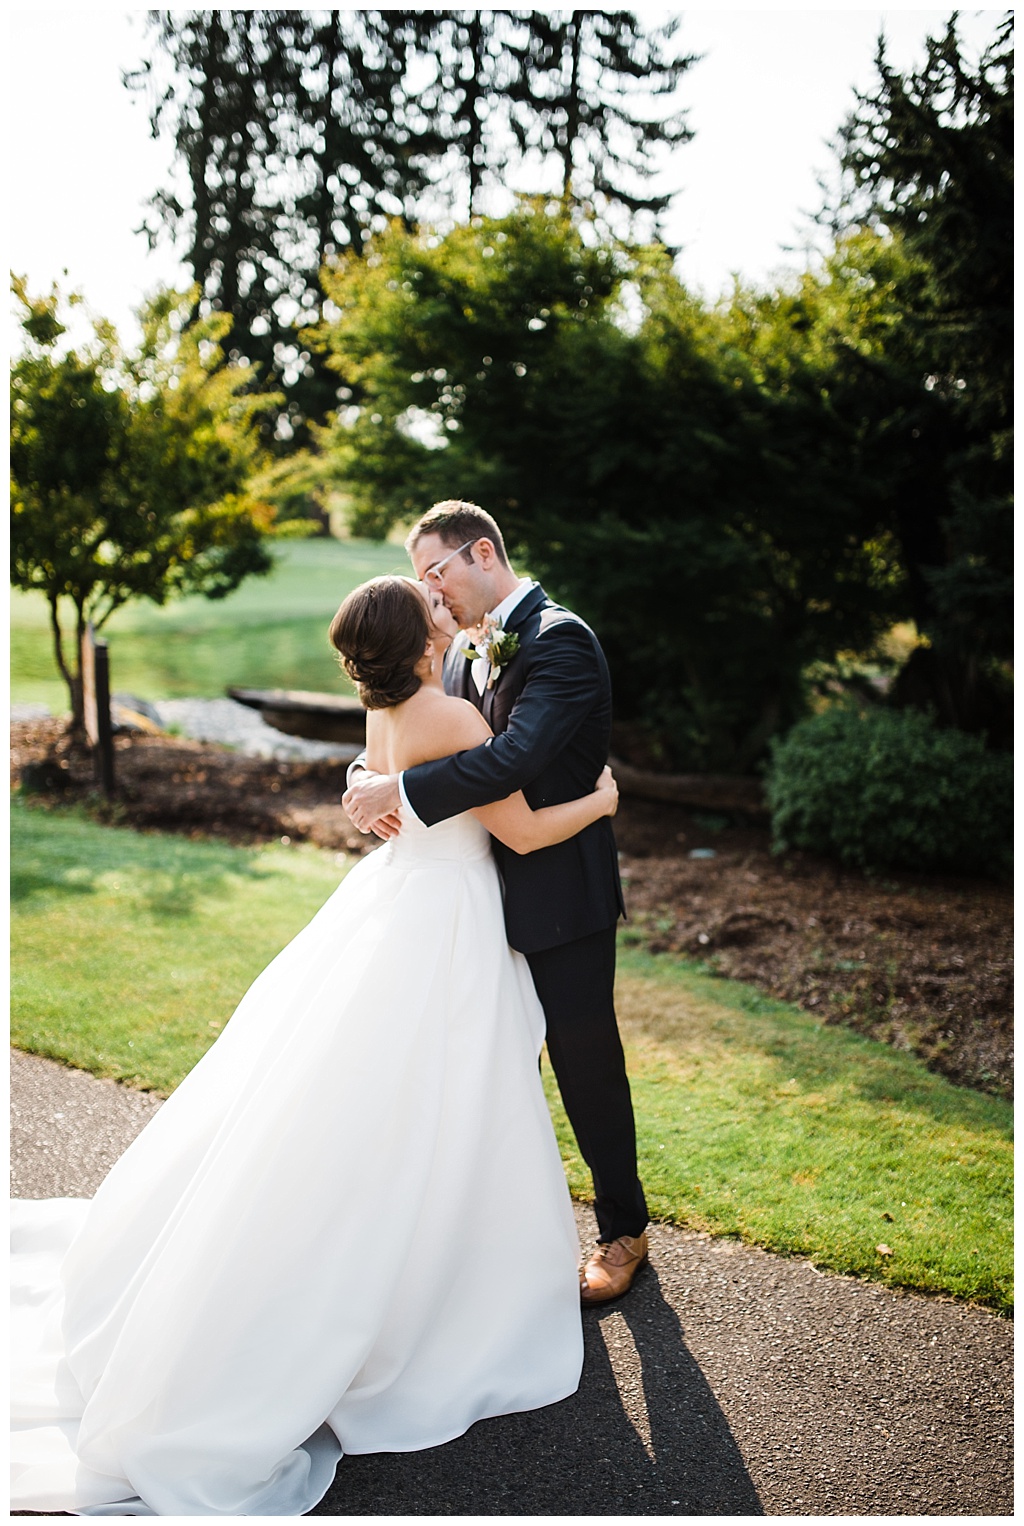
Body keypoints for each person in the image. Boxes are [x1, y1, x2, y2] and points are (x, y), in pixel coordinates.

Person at [10, 575, 620, 1517]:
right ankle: (439, 1297)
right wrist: (602, 802)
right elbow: (529, 831)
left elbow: (407, 801)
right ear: (418, 642)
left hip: (398, 905)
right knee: (450, 1105)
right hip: (447, 921)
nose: (444, 612)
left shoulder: (385, 719)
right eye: (431, 613)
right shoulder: (452, 720)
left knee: (380, 1106)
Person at [343, 501, 649, 1305]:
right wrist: (368, 780)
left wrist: (397, 792)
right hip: (469, 894)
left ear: (482, 553)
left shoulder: (562, 641)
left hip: (557, 890)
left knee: (585, 1063)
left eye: (435, 571)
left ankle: (624, 1231)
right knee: (482, 1072)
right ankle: (481, 1239)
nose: (429, 591)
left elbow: (514, 755)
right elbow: (421, 727)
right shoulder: (452, 656)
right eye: (419, 580)